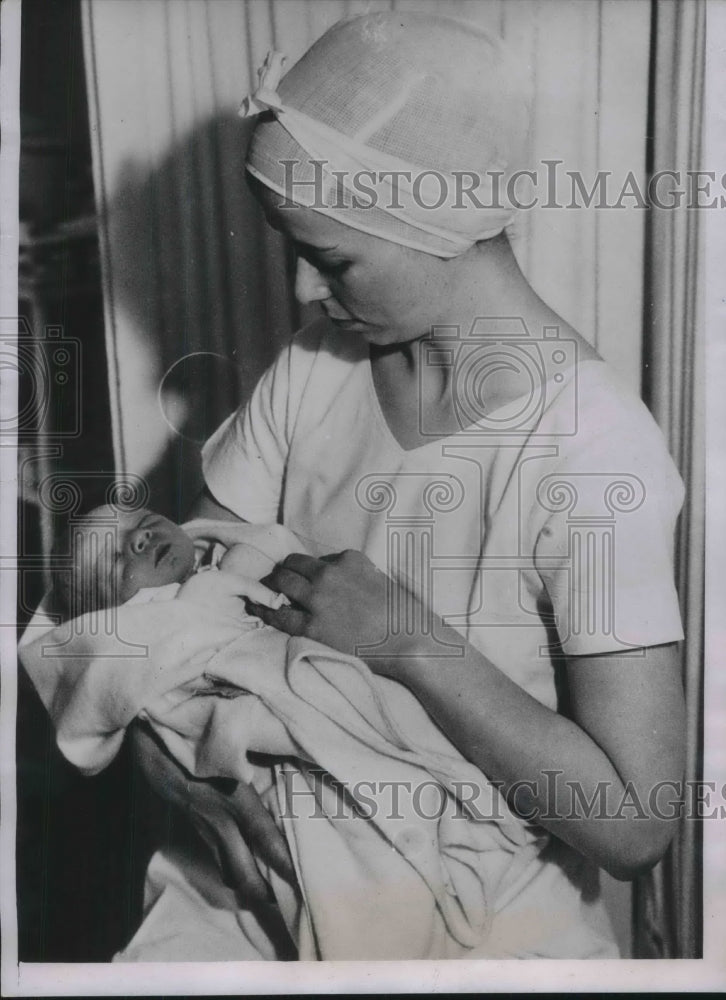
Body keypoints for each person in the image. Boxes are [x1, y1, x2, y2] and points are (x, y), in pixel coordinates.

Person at [129, 11, 687, 959]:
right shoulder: (318, 365)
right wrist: (180, 775)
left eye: (332, 258)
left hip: (478, 922)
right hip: (262, 879)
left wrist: (406, 639)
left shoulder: (591, 448)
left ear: (437, 222)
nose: (304, 293)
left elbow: (635, 822)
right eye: (293, 251)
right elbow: (163, 627)